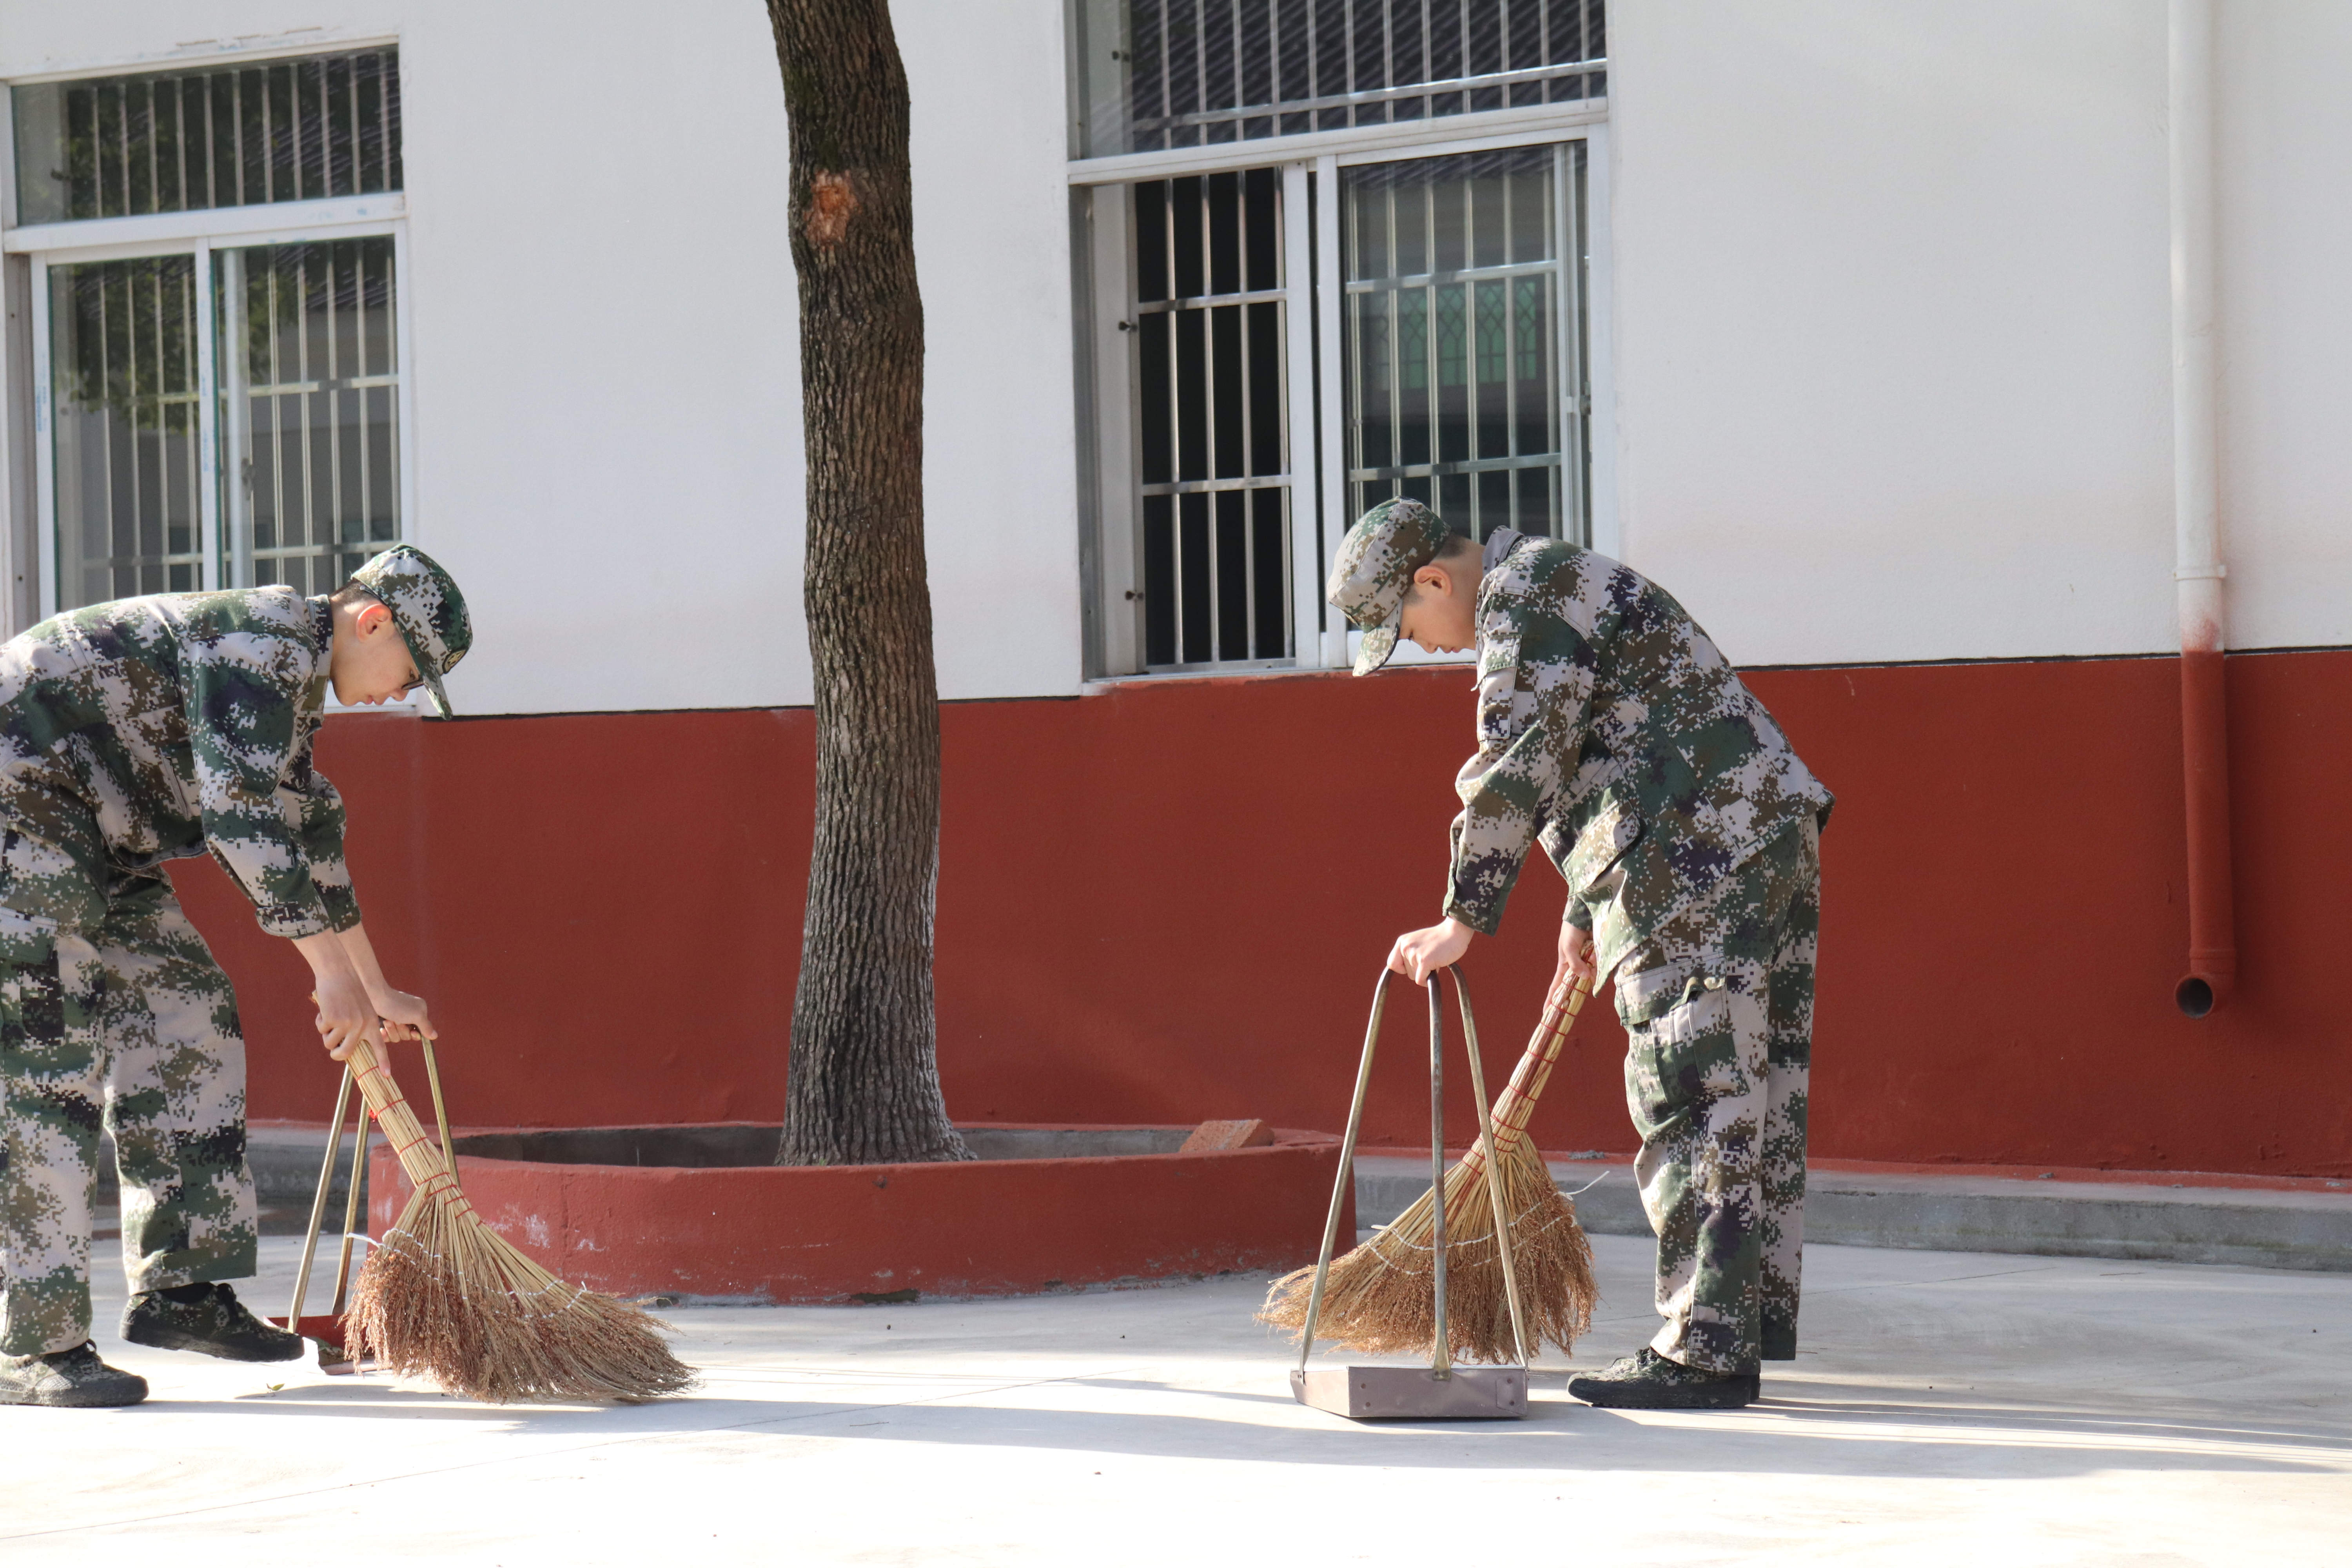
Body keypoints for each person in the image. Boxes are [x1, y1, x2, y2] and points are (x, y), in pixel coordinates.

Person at [1329, 498, 1831, 1411]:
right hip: (1752, 836)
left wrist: (1461, 918)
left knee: (1691, 1086)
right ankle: (1731, 1330)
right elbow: (1610, 749)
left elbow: (1519, 760)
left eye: (1408, 626)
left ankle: (1704, 1352)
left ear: (1434, 580)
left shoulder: (1520, 605)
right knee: (1749, 1090)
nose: (1429, 648)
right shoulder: (1558, 580)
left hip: (1696, 856)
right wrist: (1584, 904)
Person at [0, 546, 470, 1408]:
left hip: (94, 827)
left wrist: (372, 986)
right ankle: (34, 1343)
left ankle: (182, 1288)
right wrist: (330, 978)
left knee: (190, 1013)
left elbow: (309, 837)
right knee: (49, 1063)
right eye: (412, 670)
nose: (402, 692)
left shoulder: (288, 684)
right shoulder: (261, 643)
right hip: (19, 799)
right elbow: (242, 822)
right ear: (373, 622)